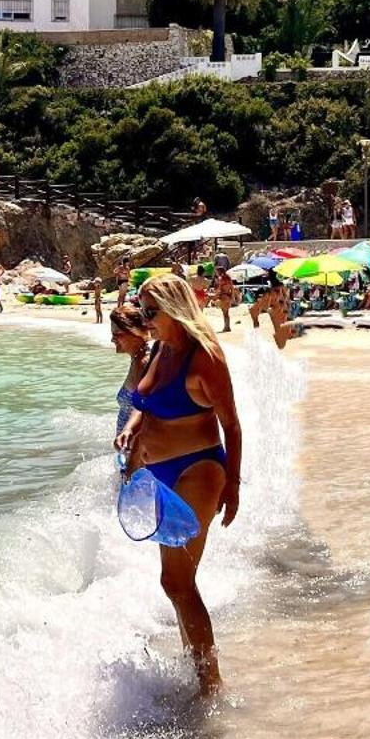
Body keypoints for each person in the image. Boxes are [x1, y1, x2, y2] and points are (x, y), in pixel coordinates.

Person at [115, 273, 244, 695]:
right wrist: (132, 429)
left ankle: (211, 684)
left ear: (174, 308)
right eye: (142, 309)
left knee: (177, 581)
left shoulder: (204, 357)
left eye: (151, 311)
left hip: (199, 470)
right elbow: (145, 404)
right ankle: (198, 667)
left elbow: (232, 425)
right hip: (162, 475)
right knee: (176, 581)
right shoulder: (162, 350)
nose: (145, 318)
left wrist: (234, 487)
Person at [108, 306, 152, 437]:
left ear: (136, 333)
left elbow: (146, 410)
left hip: (137, 448)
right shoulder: (136, 359)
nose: (112, 339)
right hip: (128, 448)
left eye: (117, 335)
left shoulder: (146, 363)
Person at [212, 266, 236, 333]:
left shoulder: (220, 279)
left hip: (223, 296)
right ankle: (227, 326)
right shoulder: (228, 278)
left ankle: (226, 327)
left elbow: (219, 289)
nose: (216, 273)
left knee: (224, 313)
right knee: (227, 313)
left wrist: (215, 296)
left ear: (219, 271)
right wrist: (232, 297)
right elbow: (232, 287)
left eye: (216, 271)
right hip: (228, 295)